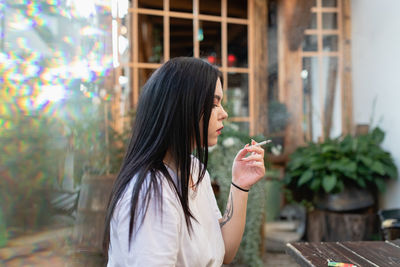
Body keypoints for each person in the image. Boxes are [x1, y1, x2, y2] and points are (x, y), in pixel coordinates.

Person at [103, 57, 265, 266]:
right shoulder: (153, 193)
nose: (224, 114)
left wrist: (240, 185)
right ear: (181, 106)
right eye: (214, 104)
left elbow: (223, 251)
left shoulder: (194, 169)